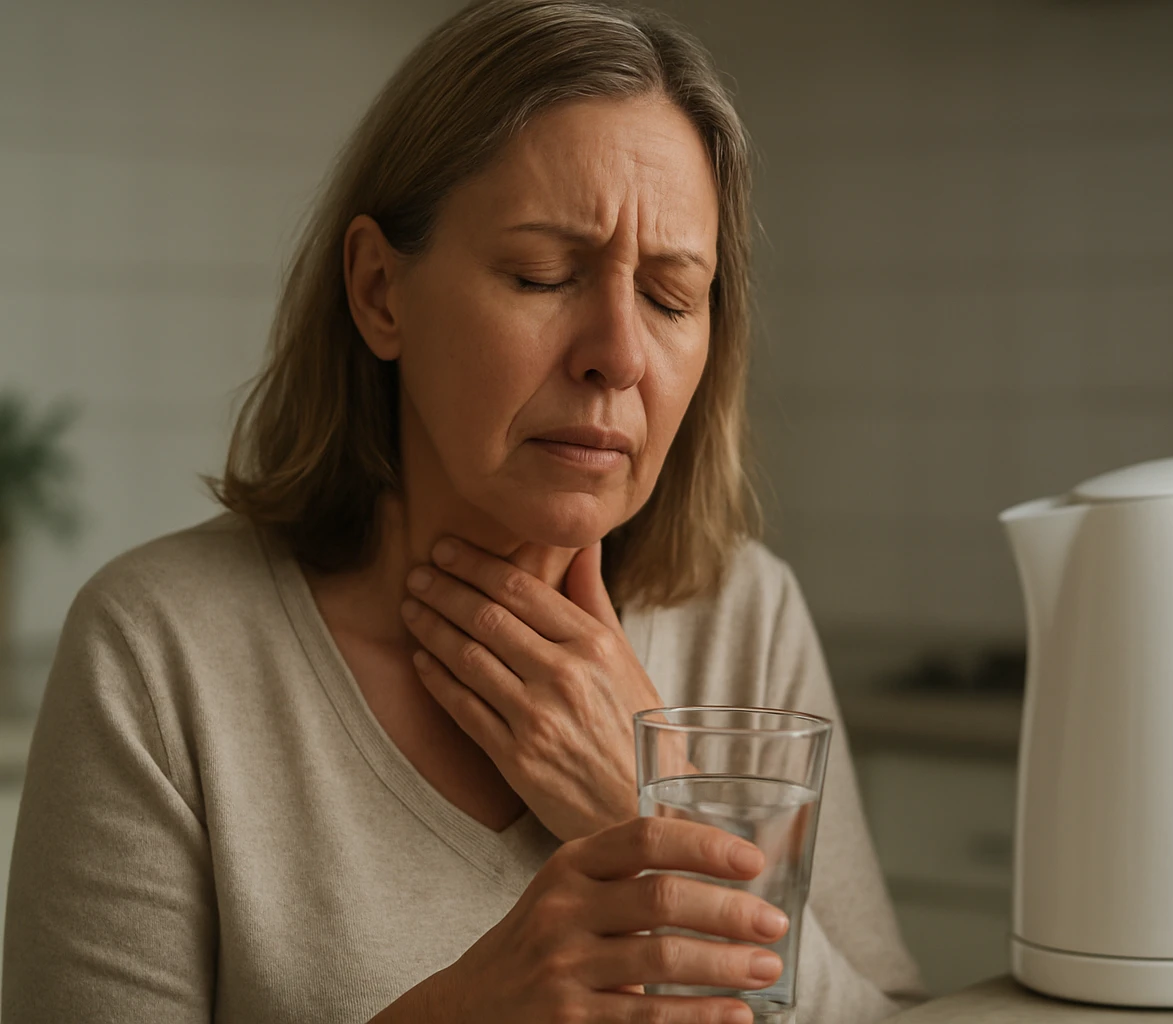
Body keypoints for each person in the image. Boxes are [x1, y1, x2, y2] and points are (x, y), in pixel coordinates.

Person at [1, 1, 926, 1022]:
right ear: (379, 291)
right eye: (543, 275)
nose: (618, 355)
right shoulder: (156, 653)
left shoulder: (747, 614)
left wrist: (652, 808)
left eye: (670, 297)